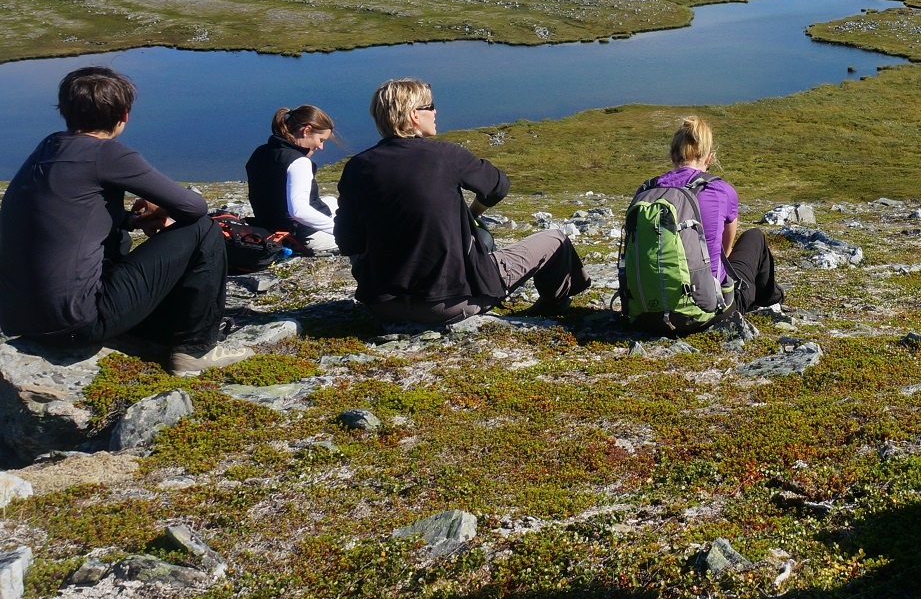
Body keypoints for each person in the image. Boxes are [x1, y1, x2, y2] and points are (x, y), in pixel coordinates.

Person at [0, 66, 251, 376]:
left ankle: (152, 329)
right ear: (125, 114)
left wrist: (131, 220)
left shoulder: (48, 147)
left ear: (64, 110)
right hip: (78, 321)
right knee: (205, 230)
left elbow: (74, 218)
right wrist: (159, 210)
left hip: (19, 318)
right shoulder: (107, 154)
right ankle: (196, 349)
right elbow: (194, 207)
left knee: (121, 238)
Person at [334, 78, 589, 325]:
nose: (435, 111)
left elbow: (348, 242)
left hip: (382, 306)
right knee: (556, 239)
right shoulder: (445, 155)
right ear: (414, 115)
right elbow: (498, 187)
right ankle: (554, 306)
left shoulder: (356, 168)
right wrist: (474, 212)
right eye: (430, 106)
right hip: (450, 304)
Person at [649, 115, 784, 318]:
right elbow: (726, 251)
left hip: (649, 308)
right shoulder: (721, 190)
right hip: (710, 309)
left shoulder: (647, 191)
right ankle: (772, 300)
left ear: (672, 155)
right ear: (708, 157)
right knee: (755, 236)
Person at [245, 105, 339, 254]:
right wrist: (341, 231)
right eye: (321, 139)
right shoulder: (298, 162)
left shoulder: (260, 152)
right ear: (306, 130)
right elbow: (298, 211)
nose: (320, 146)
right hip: (302, 236)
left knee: (333, 201)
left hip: (269, 226)